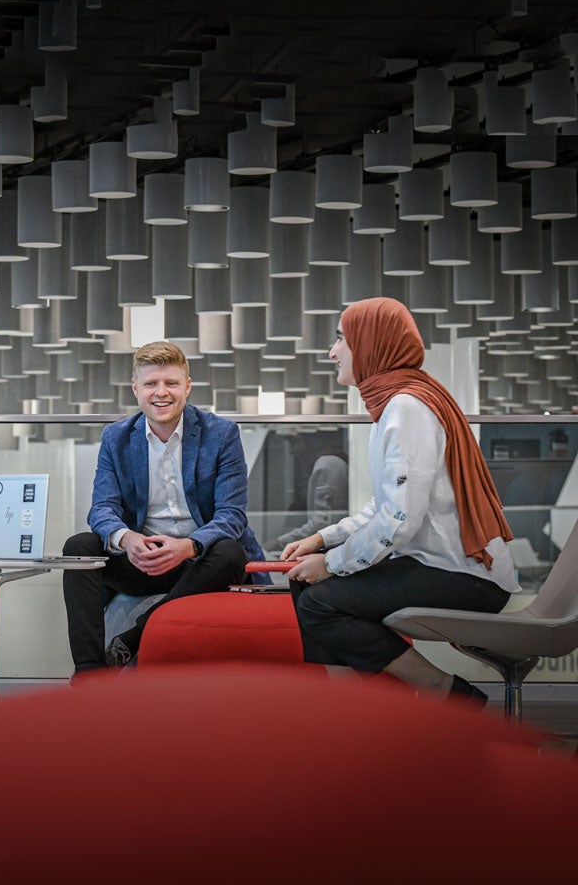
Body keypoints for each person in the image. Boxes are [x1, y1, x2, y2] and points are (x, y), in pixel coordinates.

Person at [281, 296, 517, 706]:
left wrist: (332, 563)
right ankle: (355, 709)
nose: (332, 352)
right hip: (442, 566)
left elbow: (399, 521)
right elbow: (382, 506)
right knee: (306, 587)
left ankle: (448, 692)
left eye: (341, 338)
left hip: (467, 576)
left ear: (371, 343)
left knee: (320, 602)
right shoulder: (394, 402)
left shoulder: (406, 407)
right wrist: (322, 540)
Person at [62, 340, 266, 674]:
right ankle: (88, 672)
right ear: (135, 388)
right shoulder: (117, 437)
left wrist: (188, 546)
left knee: (231, 551)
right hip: (143, 561)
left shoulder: (221, 433)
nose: (162, 393)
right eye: (151, 383)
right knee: (78, 547)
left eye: (171, 383)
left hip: (199, 563)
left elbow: (232, 515)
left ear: (187, 386)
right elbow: (102, 508)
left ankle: (138, 633)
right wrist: (128, 540)